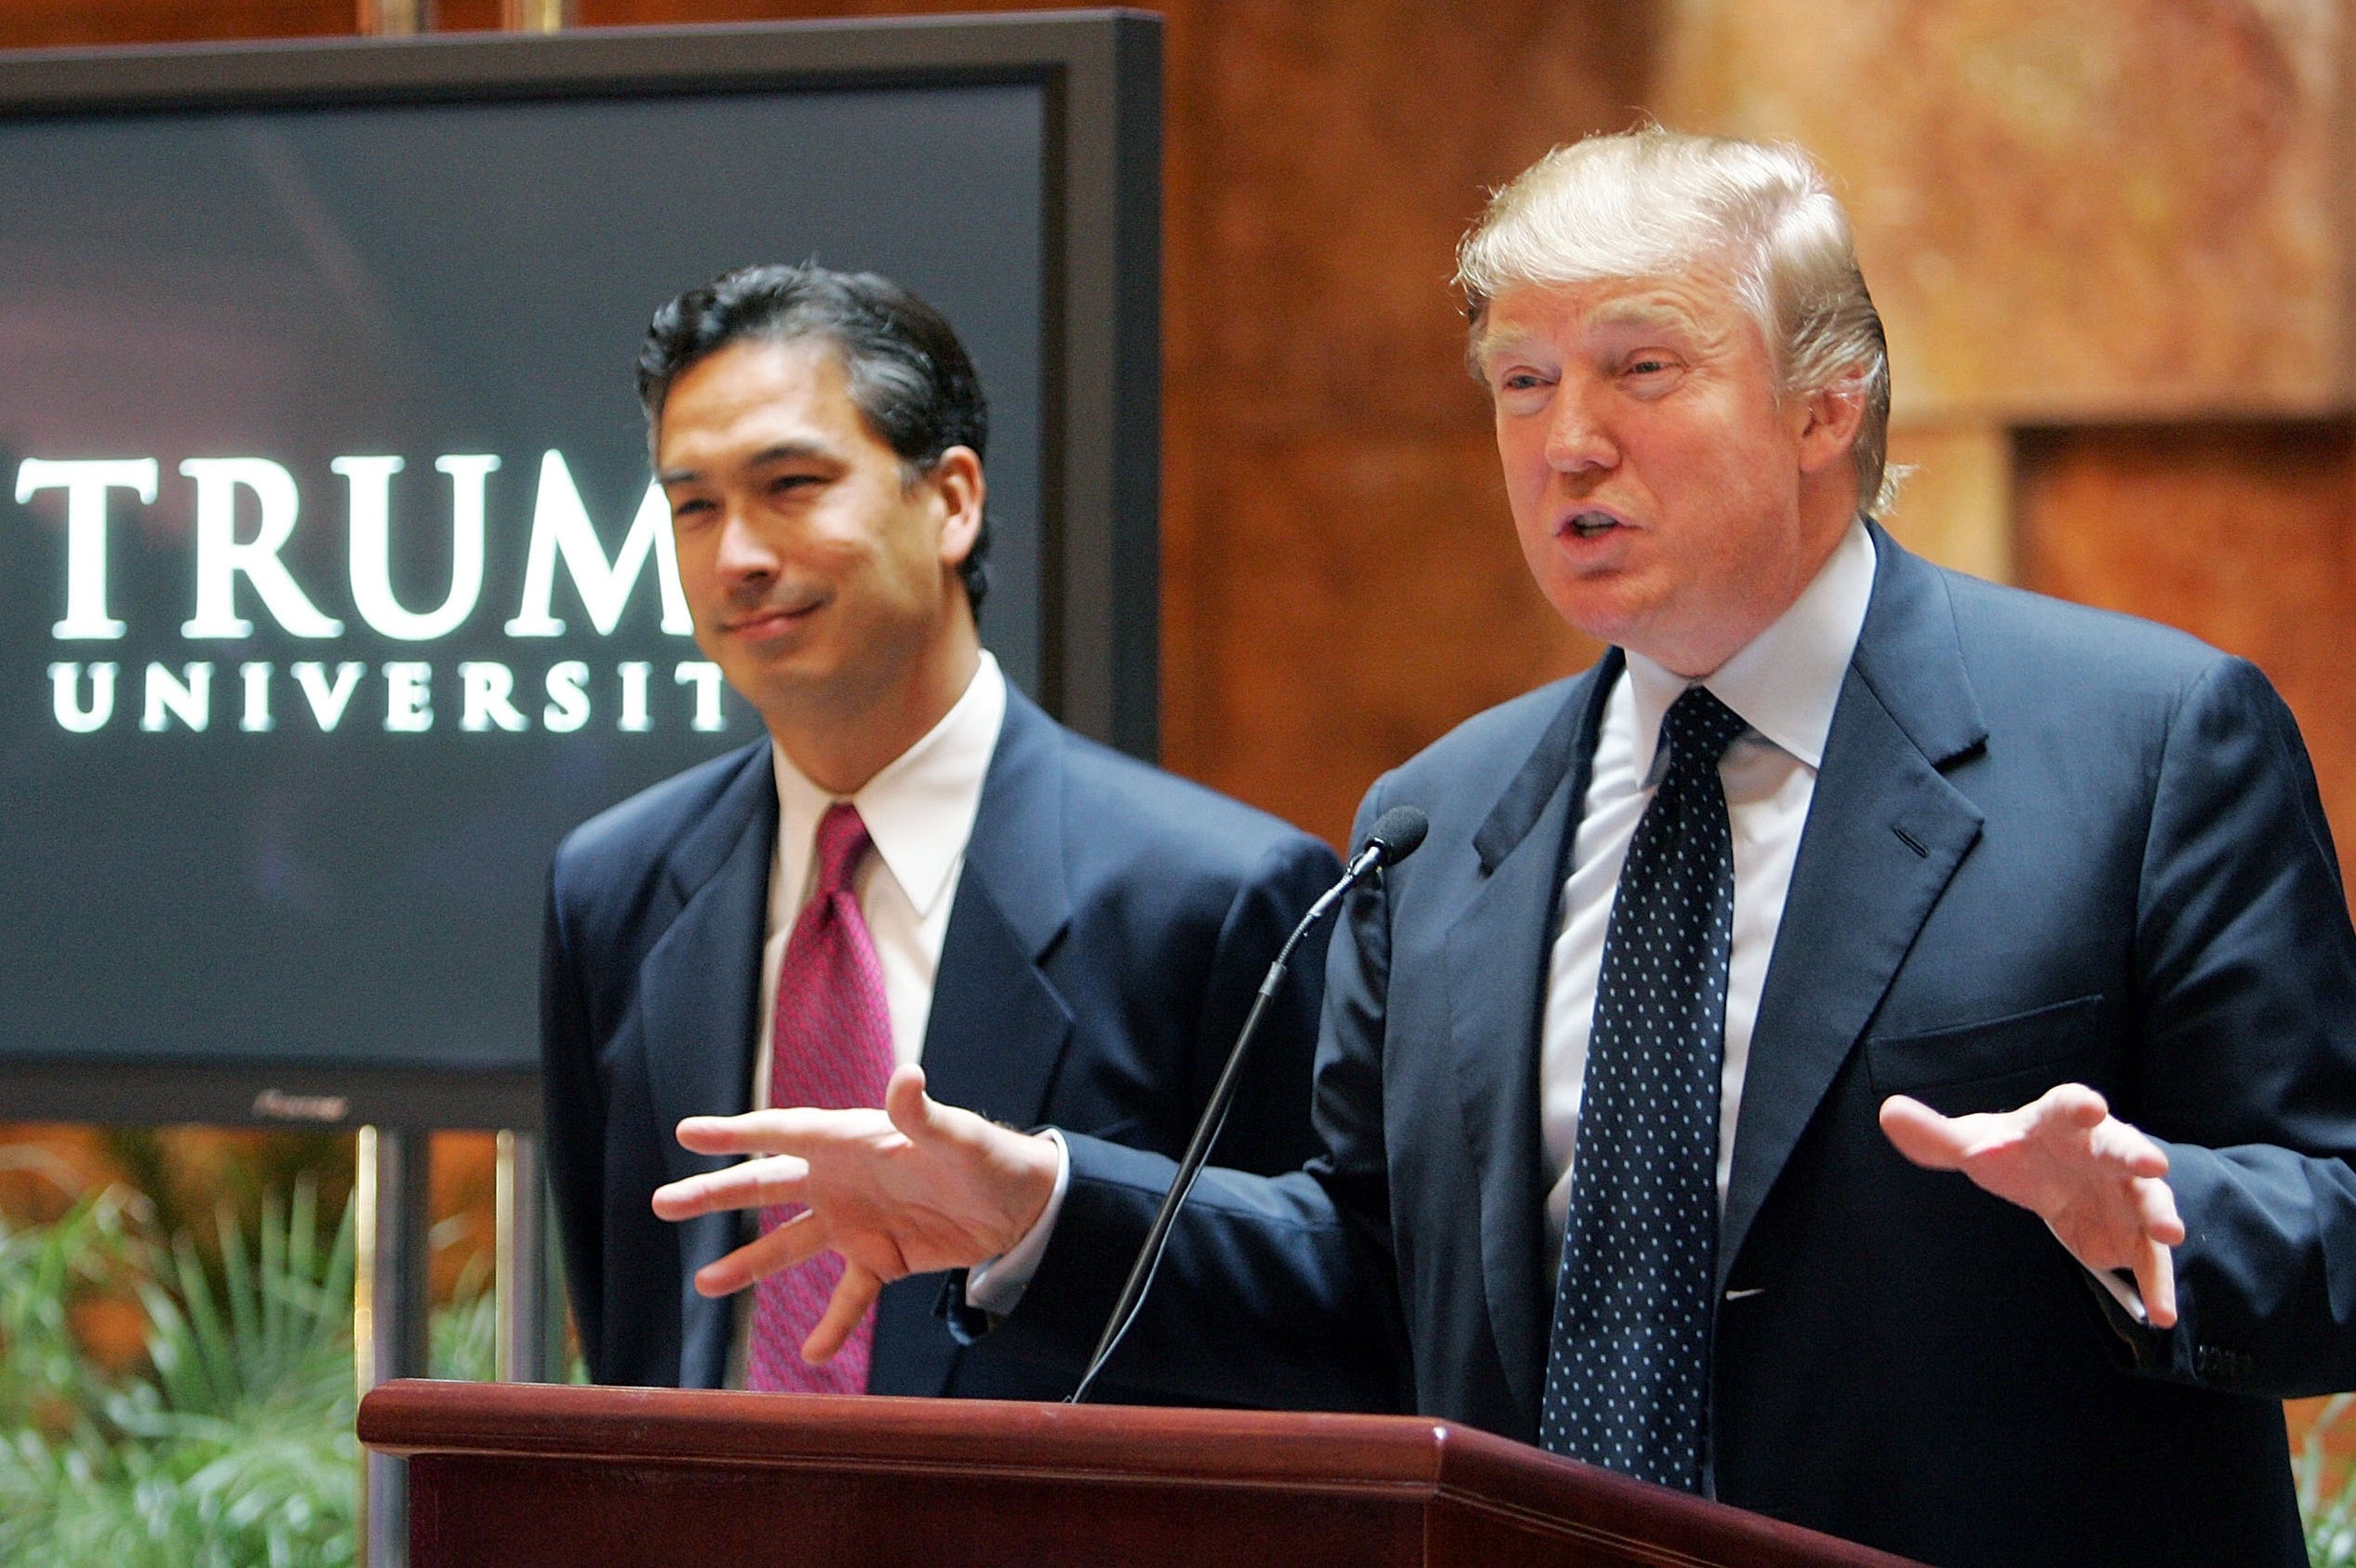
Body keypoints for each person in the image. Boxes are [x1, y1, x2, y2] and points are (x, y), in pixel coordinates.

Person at [647, 136, 2356, 1565]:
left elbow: (2333, 1221)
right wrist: (1040, 1210)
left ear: (1829, 404)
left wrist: (2159, 1217)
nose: (1564, 443)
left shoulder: (2143, 743)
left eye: (1641, 369)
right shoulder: (1437, 821)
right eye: (1521, 384)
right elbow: (1365, 1288)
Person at [540, 262, 1342, 1401]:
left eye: (792, 484)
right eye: (695, 506)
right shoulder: (612, 886)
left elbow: (1322, 1325)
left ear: (952, 499)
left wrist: (1041, 1219)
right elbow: (631, 1335)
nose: (738, 556)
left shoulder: (1217, 896)